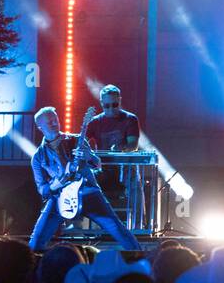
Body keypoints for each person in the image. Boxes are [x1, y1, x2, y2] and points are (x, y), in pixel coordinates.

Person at [28, 106, 142, 253]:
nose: (54, 123)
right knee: (36, 241)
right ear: (40, 127)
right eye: (49, 122)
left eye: (55, 119)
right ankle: (33, 270)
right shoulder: (38, 157)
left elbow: (97, 164)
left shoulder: (76, 140)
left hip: (88, 193)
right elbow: (42, 190)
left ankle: (142, 263)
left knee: (118, 230)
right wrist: (54, 185)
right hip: (60, 198)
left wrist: (89, 156)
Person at [84, 85, 141, 152]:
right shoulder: (94, 122)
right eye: (107, 106)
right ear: (101, 103)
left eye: (114, 105)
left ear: (119, 100)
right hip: (101, 162)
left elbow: (133, 145)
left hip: (123, 161)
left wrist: (122, 149)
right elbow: (81, 143)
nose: (111, 109)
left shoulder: (130, 119)